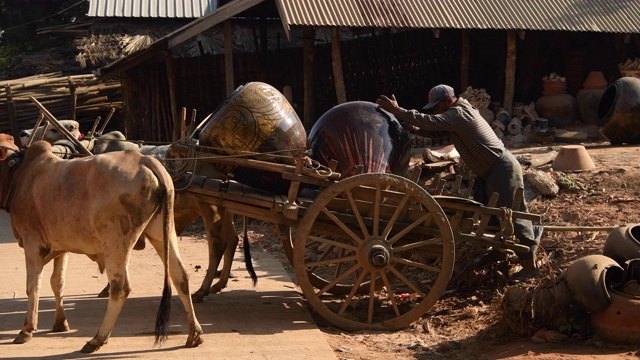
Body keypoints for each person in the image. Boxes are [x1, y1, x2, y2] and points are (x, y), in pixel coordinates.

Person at [376, 84, 542, 279]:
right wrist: (411, 126)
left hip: (501, 169)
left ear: (448, 101)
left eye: (437, 107)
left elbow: (430, 121)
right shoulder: (455, 115)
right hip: (488, 171)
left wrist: (398, 111)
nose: (436, 111)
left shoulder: (460, 113)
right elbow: (435, 131)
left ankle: (530, 265)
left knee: (513, 212)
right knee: (490, 214)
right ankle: (500, 251)